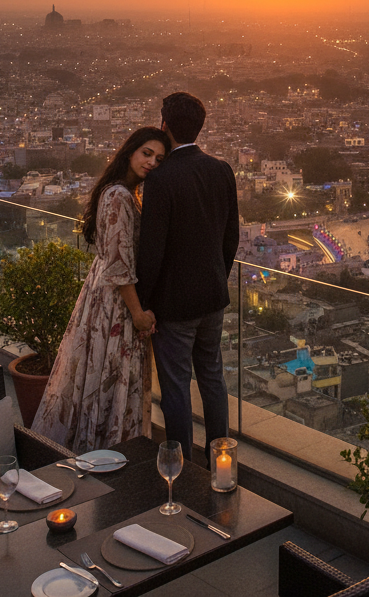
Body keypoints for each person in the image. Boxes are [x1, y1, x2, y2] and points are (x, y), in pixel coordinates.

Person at [31, 126, 170, 452]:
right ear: (130, 151)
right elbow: (119, 264)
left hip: (106, 296)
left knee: (99, 378)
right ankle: (107, 454)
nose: (152, 163)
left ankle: (101, 450)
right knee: (110, 378)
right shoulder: (120, 196)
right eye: (147, 153)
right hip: (116, 303)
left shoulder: (122, 192)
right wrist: (137, 313)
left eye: (159, 159)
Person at [136, 92, 239, 465]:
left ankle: (182, 472)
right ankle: (220, 463)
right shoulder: (221, 169)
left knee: (177, 387)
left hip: (174, 304)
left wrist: (144, 304)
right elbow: (231, 238)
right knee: (212, 379)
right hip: (212, 297)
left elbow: (152, 250)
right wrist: (217, 278)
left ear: (165, 126)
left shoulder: (161, 179)